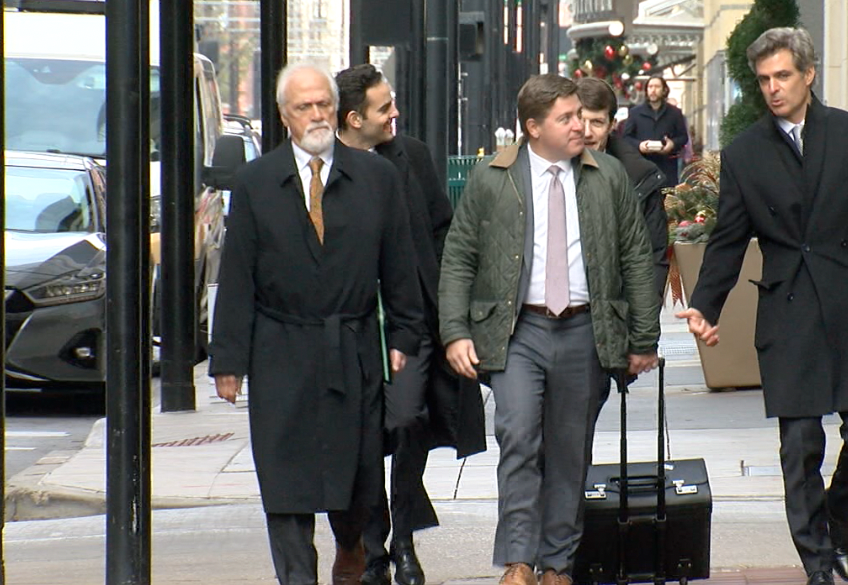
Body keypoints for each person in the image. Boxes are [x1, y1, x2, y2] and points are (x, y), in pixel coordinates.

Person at [677, 28, 848, 585]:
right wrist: (705, 306)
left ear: (808, 74)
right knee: (801, 444)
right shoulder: (746, 154)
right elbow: (726, 241)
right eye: (764, 79)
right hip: (789, 314)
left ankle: (837, 514)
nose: (773, 89)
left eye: (783, 76)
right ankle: (817, 564)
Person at [438, 74, 661, 585]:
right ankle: (518, 559)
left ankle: (557, 564)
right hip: (518, 332)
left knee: (569, 448)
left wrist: (642, 340)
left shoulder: (607, 177)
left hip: (585, 330)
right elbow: (459, 257)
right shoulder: (493, 178)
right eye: (566, 118)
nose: (580, 125)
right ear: (534, 127)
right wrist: (455, 331)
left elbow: (635, 257)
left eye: (581, 116)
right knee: (517, 435)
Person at [208, 63, 424, 585]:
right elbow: (237, 276)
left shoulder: (376, 178)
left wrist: (403, 334)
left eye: (323, 104)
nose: (316, 115)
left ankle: (350, 545)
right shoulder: (257, 182)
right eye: (303, 106)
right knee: (285, 481)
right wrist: (229, 361)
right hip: (280, 349)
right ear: (284, 115)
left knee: (359, 474)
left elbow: (399, 263)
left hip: (351, 347)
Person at [333, 64, 487, 585]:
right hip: (351, 327)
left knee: (406, 420)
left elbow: (442, 229)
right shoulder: (323, 167)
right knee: (360, 436)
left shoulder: (411, 156)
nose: (395, 113)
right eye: (384, 107)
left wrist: (449, 308)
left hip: (412, 321)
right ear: (354, 119)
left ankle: (402, 539)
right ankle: (372, 547)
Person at [576, 76, 668, 301]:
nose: (587, 133)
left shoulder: (639, 178)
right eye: (580, 121)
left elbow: (653, 258)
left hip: (618, 312)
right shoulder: (544, 172)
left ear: (611, 125)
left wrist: (641, 328)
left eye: (596, 123)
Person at [622, 75, 690, 191]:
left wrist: (672, 144)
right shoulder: (635, 113)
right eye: (650, 87)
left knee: (667, 201)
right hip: (642, 167)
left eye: (657, 86)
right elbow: (626, 137)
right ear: (646, 90)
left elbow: (683, 137)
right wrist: (639, 145)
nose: (653, 90)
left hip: (667, 167)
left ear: (664, 90)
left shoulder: (675, 113)